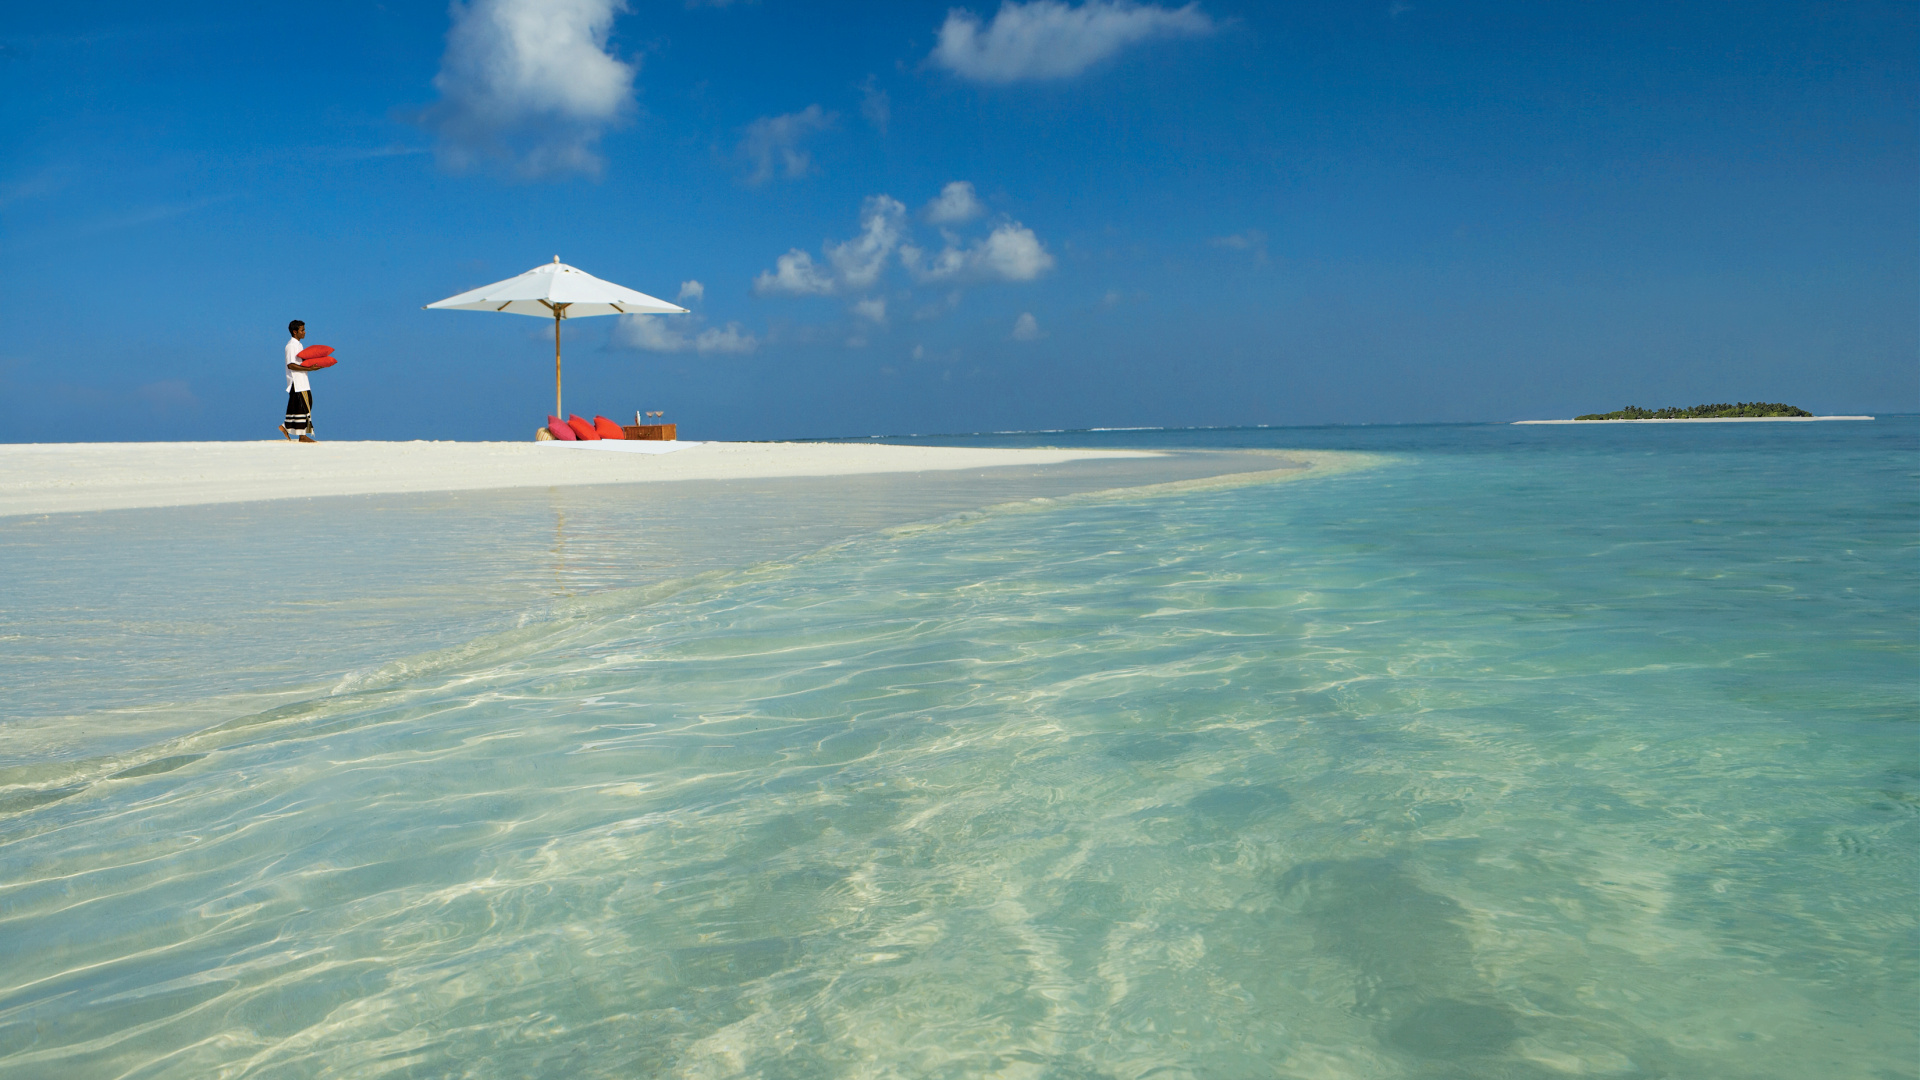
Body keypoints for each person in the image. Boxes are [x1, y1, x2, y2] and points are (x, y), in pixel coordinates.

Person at [281, 320, 316, 442]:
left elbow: (302, 362)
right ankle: (302, 436)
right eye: (302, 330)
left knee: (297, 406)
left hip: (302, 380)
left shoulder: (299, 345)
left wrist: (313, 365)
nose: (304, 332)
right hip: (297, 381)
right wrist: (309, 368)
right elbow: (291, 365)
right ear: (295, 332)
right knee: (304, 406)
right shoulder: (291, 346)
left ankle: (285, 427)